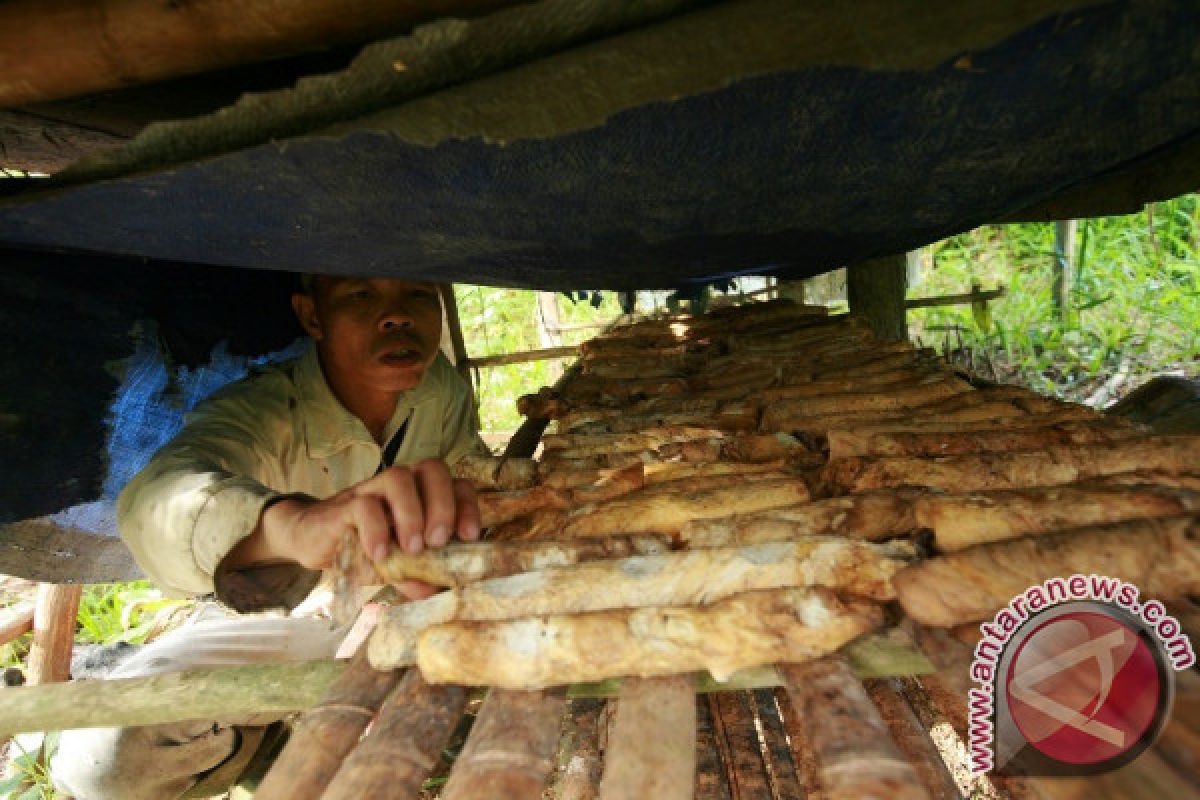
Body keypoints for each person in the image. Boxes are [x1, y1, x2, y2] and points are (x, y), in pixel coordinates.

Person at [51, 275, 488, 800]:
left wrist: (432, 555)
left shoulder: (441, 388)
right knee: (104, 762)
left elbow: (472, 473)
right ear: (312, 316)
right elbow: (155, 499)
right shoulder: (260, 410)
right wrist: (290, 526)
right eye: (360, 295)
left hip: (408, 597)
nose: (397, 315)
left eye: (418, 293)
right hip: (291, 612)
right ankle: (261, 745)